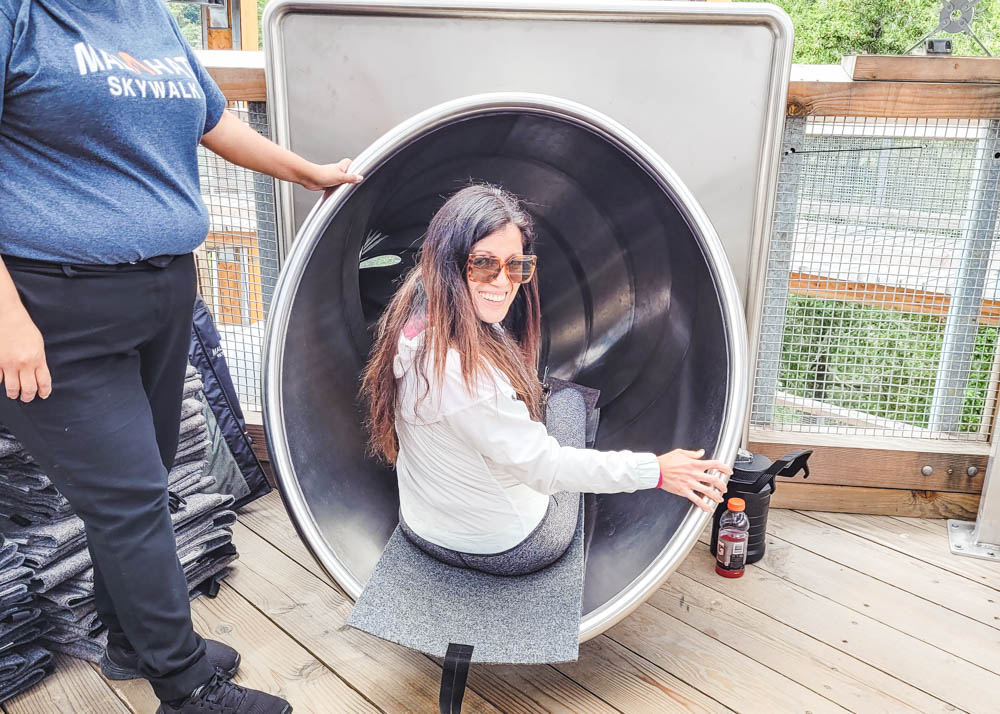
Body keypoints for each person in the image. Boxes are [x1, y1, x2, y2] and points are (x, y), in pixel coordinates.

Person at [0, 2, 362, 712]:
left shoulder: (145, 14)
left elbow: (212, 120)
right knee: (130, 497)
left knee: (141, 481)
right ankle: (187, 687)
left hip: (162, 292)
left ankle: (131, 640)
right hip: (54, 307)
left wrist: (307, 172)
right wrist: (6, 317)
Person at [360, 185, 732, 575]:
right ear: (451, 262)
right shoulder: (463, 373)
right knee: (567, 405)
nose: (503, 283)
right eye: (484, 264)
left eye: (517, 266)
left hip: (421, 525)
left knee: (539, 415)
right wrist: (656, 471)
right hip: (509, 545)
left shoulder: (416, 310)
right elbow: (547, 468)